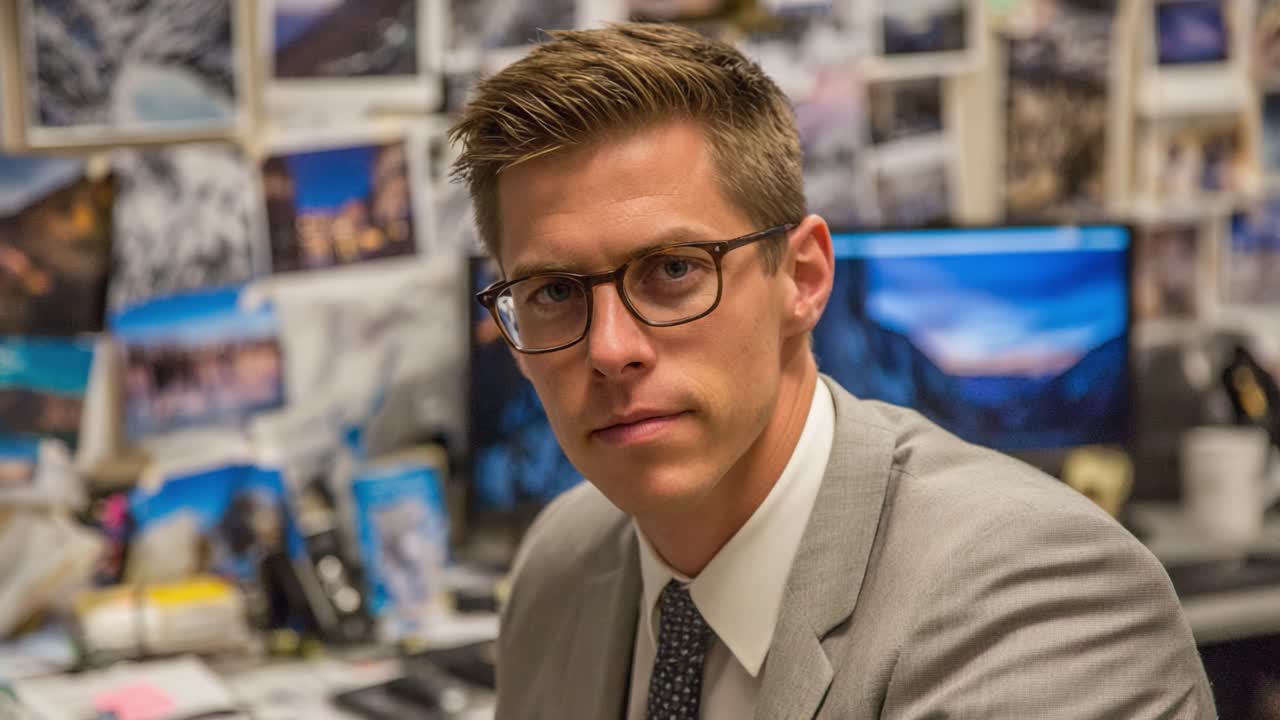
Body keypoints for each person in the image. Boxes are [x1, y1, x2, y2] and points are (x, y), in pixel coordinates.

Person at [450, 22, 1214, 720]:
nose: (611, 348)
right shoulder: (561, 561)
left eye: (673, 269)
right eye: (552, 292)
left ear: (804, 279)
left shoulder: (1037, 598)